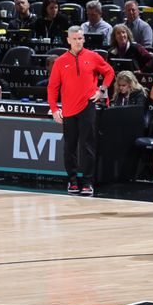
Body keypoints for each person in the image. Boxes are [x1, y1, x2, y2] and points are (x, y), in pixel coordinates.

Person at [47, 26, 115, 197]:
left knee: (87, 146)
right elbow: (52, 87)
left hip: (87, 108)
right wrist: (54, 108)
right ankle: (72, 180)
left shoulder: (93, 57)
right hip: (68, 110)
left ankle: (87, 182)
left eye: (80, 38)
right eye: (75, 39)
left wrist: (102, 90)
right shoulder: (61, 61)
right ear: (68, 40)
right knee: (69, 147)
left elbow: (109, 72)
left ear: (84, 39)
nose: (78, 41)